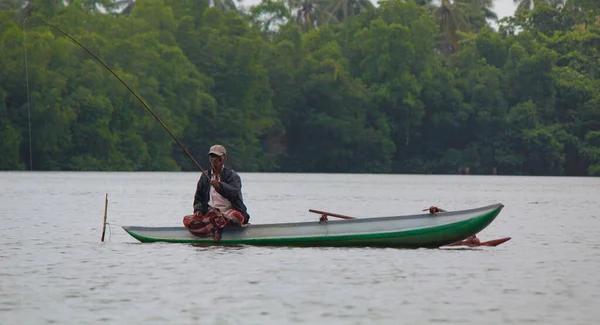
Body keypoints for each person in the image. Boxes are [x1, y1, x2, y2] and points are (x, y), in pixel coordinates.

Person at [183, 144, 250, 240]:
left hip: (228, 212)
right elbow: (199, 198)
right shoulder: (205, 176)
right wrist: (198, 210)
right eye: (212, 157)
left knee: (237, 216)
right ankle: (214, 227)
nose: (214, 159)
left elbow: (234, 193)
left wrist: (220, 186)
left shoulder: (232, 176)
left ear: (223, 158)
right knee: (188, 220)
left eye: (217, 157)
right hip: (211, 214)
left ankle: (215, 226)